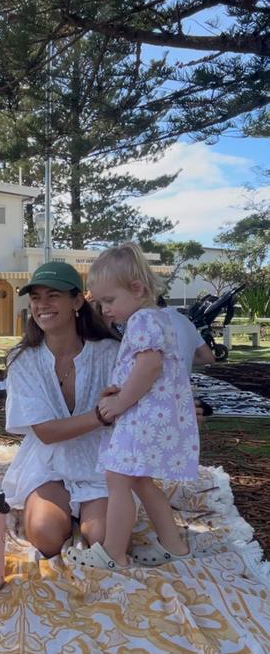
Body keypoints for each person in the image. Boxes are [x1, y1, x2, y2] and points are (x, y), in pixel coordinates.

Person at [69, 243, 199, 570]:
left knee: (117, 480)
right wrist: (121, 389)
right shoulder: (157, 319)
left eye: (109, 301)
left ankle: (112, 553)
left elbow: (150, 366)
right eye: (99, 303)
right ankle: (174, 544)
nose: (104, 310)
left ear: (137, 289)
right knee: (140, 481)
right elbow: (147, 370)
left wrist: (121, 402)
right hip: (151, 415)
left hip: (142, 417)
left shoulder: (142, 320)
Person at [2, 262, 120, 558]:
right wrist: (101, 414)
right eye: (36, 298)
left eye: (53, 295)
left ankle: (87, 516)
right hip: (47, 461)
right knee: (46, 536)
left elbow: (143, 395)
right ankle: (63, 513)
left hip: (99, 459)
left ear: (77, 301)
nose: (42, 305)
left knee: (103, 539)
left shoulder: (110, 353)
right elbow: (45, 433)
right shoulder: (22, 359)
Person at [156, 296, 215, 373]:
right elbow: (207, 357)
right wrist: (183, 360)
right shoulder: (185, 321)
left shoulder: (151, 320)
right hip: (182, 382)